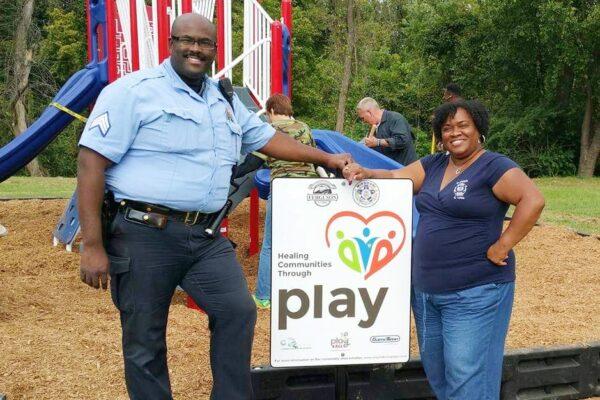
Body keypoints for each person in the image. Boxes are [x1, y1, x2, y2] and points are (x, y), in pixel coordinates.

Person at [76, 14, 350, 400]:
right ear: (171, 43)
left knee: (238, 311)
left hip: (205, 236)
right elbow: (91, 162)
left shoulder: (221, 98)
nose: (195, 49)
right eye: (186, 40)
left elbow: (268, 139)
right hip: (143, 233)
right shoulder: (133, 92)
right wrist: (92, 244)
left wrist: (327, 159)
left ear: (215, 51)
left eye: (204, 43)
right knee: (145, 339)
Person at [343, 100, 544, 399]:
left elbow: (532, 199)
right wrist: (366, 172)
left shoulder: (493, 166)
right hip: (426, 293)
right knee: (438, 373)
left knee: (467, 378)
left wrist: (503, 245)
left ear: (479, 130)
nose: (455, 133)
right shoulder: (434, 165)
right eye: (447, 128)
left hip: (474, 292)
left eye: (463, 126)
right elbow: (397, 177)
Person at [252, 94, 319, 309]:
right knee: (304, 242)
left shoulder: (269, 131)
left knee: (271, 244)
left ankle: (264, 296)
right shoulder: (305, 127)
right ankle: (304, 293)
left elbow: (254, 160)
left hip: (284, 189)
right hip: (309, 190)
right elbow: (313, 154)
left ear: (271, 111)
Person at [356, 97, 418, 166]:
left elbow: (402, 140)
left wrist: (378, 142)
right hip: (389, 171)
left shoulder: (395, 118)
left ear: (369, 112)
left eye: (363, 118)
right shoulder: (374, 128)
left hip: (406, 169)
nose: (363, 121)